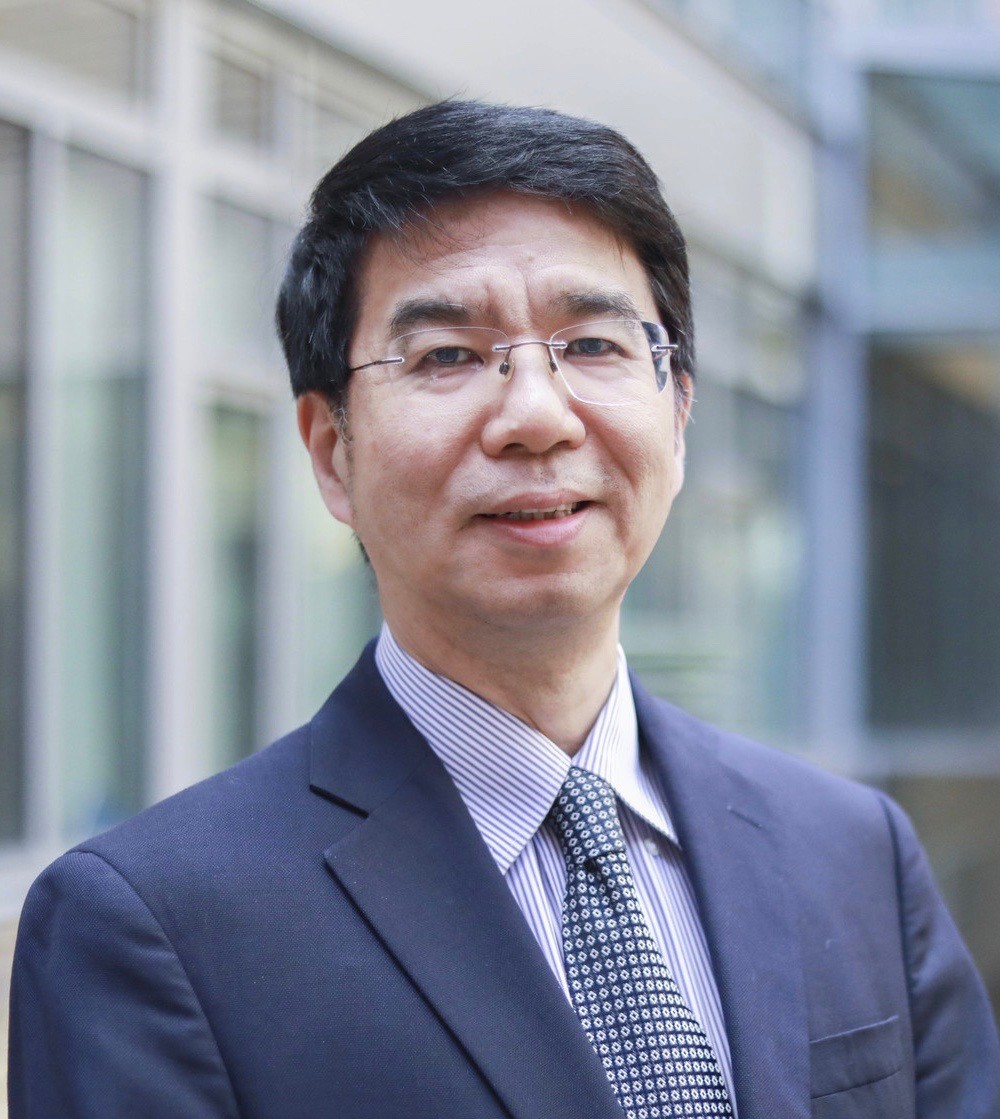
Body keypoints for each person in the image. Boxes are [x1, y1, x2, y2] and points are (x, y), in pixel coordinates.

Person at [8, 100, 999, 1119]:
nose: (535, 416)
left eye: (594, 344)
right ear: (332, 453)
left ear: (677, 413)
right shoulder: (153, 929)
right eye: (446, 355)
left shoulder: (853, 853)